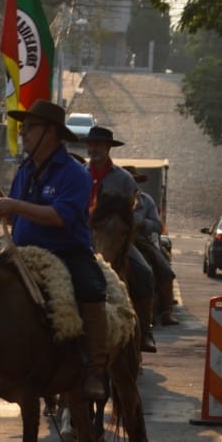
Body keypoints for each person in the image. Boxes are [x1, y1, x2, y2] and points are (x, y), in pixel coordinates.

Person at [0, 99, 110, 401]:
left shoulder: (76, 173)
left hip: (65, 252)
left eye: (29, 128)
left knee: (92, 287)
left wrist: (14, 204)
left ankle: (94, 368)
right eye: (22, 128)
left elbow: (59, 216)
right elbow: (11, 216)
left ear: (51, 132)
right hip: (23, 252)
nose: (22, 133)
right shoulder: (25, 170)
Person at [83, 125, 157, 353]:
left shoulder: (124, 179)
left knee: (144, 273)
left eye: (99, 144)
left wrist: (125, 227)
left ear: (108, 148)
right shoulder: (79, 174)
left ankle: (145, 330)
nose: (94, 148)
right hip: (82, 238)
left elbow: (138, 208)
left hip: (115, 238)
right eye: (91, 144)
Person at [126, 166, 180, 329]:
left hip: (141, 240)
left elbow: (157, 225)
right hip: (118, 239)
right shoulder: (115, 198)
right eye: (129, 181)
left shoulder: (146, 200)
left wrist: (143, 224)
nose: (131, 184)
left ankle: (166, 310)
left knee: (162, 266)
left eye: (134, 181)